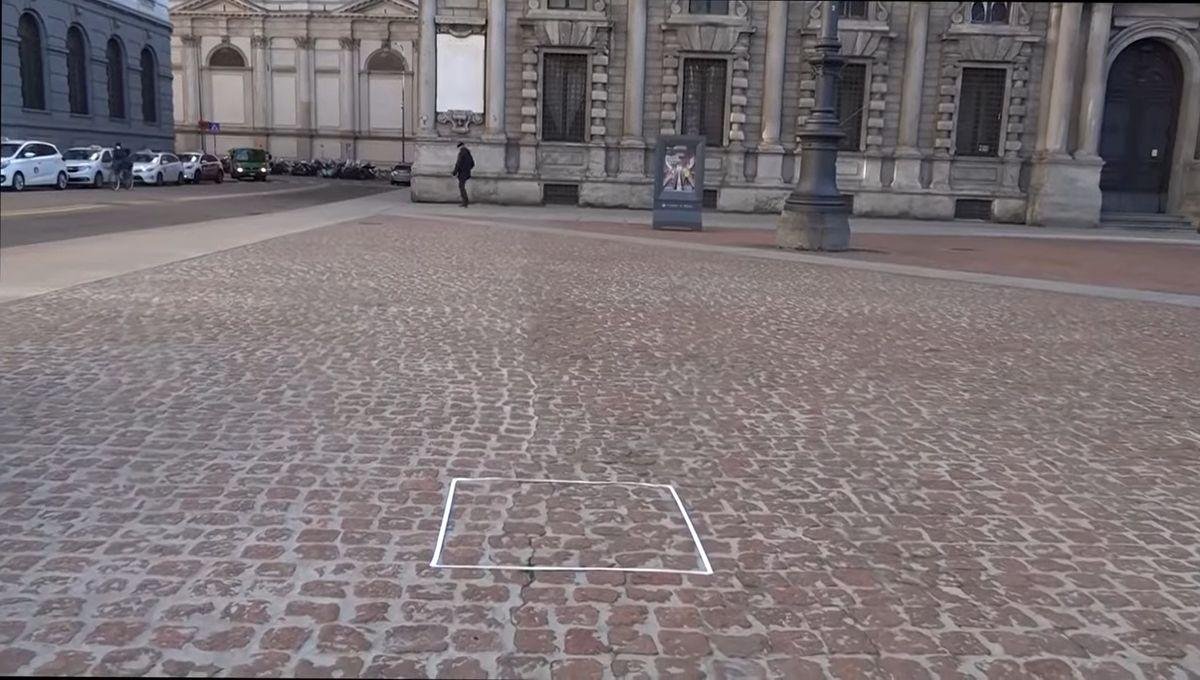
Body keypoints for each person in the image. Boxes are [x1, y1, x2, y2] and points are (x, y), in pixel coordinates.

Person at [451, 142, 474, 207]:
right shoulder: (468, 153)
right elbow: (472, 163)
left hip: (462, 173)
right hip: (467, 172)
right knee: (462, 186)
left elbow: (458, 163)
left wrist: (454, 172)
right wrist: (468, 169)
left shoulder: (462, 153)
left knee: (461, 187)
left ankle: (465, 201)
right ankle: (465, 201)